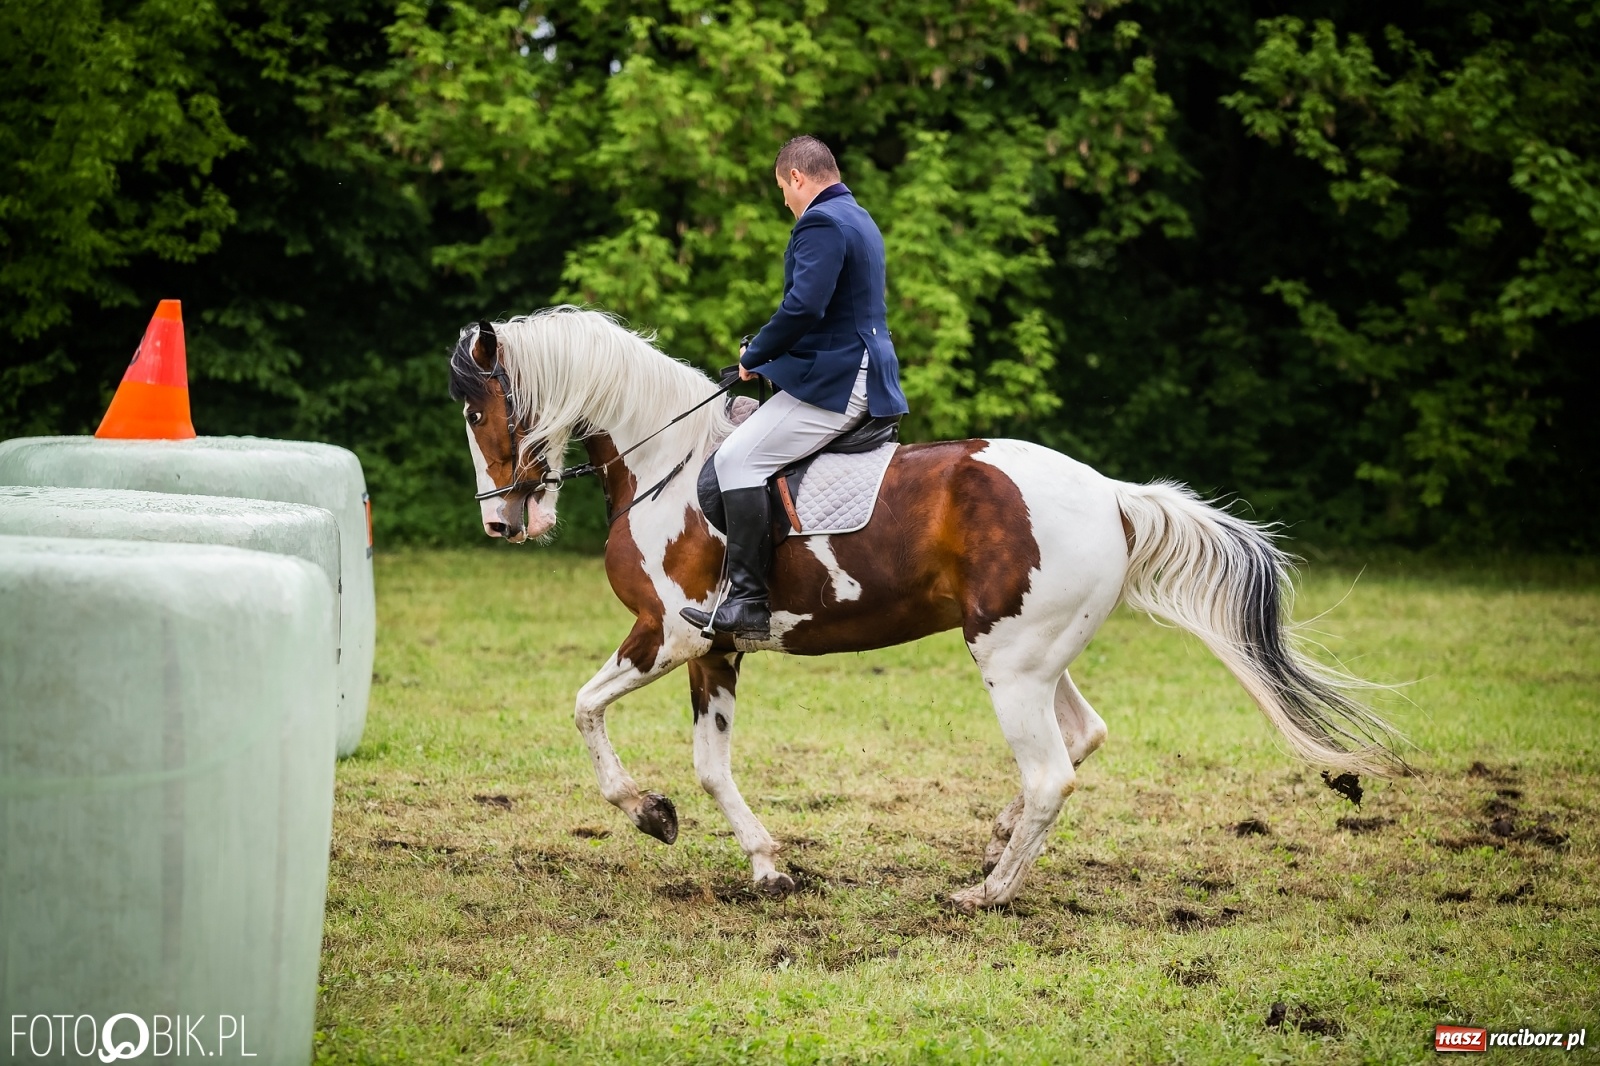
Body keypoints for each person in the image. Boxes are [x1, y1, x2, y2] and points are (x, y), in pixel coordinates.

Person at [682, 135, 910, 640]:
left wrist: (755, 354)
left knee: (735, 460)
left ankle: (748, 601)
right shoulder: (858, 217)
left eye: (783, 189)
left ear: (797, 177)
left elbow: (804, 307)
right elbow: (833, 318)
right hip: (861, 371)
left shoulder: (820, 221)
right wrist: (771, 359)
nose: (785, 201)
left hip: (842, 382)